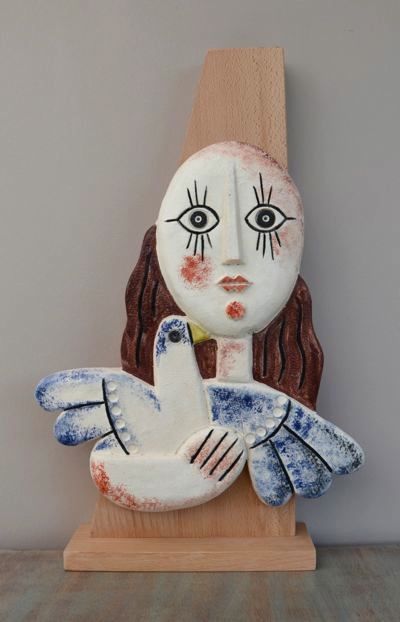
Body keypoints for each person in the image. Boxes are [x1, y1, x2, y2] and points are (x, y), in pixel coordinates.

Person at [36, 142, 364, 511]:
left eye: (265, 220)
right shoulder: (146, 396)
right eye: (198, 221)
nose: (232, 253)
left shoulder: (265, 404)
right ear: (159, 245)